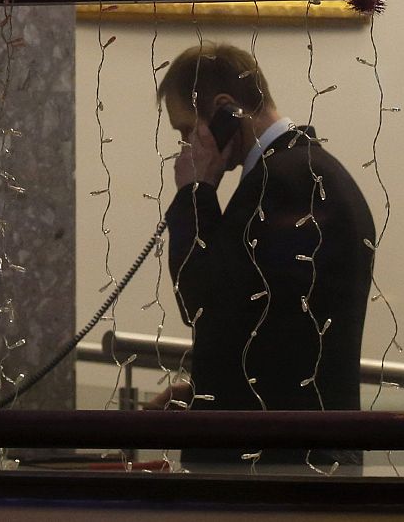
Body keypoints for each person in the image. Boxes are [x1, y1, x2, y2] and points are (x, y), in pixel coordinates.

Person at [154, 42, 376, 468]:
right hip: (292, 452)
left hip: (282, 462)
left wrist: (194, 193)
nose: (185, 148)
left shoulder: (287, 183)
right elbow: (263, 325)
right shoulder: (295, 172)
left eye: (187, 130)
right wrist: (203, 390)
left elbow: (199, 299)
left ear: (224, 110)